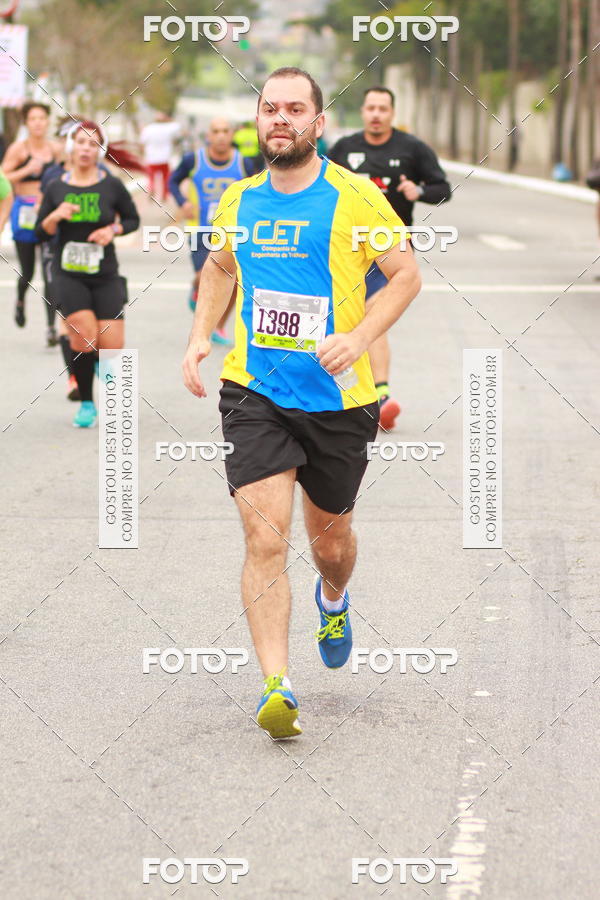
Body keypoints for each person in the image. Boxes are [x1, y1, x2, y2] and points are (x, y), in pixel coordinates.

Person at [182, 67, 421, 739]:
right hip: (255, 391)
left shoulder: (354, 198)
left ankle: (335, 597)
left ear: (318, 123)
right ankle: (277, 686)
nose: (279, 118)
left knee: (331, 541)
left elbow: (405, 276)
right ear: (258, 120)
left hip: (340, 401)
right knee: (264, 536)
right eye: (269, 108)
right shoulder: (238, 200)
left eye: (295, 108)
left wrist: (359, 337)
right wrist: (201, 336)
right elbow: (219, 267)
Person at [328, 86, 451, 430]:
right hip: (346, 249)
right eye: (371, 108)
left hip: (388, 251)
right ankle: (343, 393)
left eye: (383, 108)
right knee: (342, 319)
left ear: (392, 113)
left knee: (373, 314)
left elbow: (443, 189)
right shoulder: (345, 148)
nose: (377, 114)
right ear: (363, 112)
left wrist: (421, 191)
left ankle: (381, 396)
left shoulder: (412, 149)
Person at [35, 120, 141, 428]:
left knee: (111, 345)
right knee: (83, 338)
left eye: (93, 144)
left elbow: (132, 219)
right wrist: (55, 215)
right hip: (68, 274)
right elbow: (42, 231)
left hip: (105, 273)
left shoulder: (111, 185)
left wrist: (113, 229)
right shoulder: (56, 186)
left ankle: (110, 397)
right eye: (81, 142)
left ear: (100, 150)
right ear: (71, 146)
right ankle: (86, 403)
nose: (86, 148)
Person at [169, 117, 259, 344]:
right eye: (215, 131)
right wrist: (182, 202)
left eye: (225, 131)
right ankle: (195, 287)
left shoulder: (244, 163)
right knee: (204, 274)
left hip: (233, 232)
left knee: (236, 280)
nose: (220, 136)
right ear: (208, 136)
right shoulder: (193, 160)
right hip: (201, 229)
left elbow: (257, 190)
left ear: (232, 135)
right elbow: (173, 180)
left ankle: (218, 326)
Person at [2, 102, 60, 342]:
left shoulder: (56, 150)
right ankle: (20, 300)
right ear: (26, 123)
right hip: (24, 211)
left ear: (47, 122)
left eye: (42, 118)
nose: (38, 123)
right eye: (33, 119)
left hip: (47, 212)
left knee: (50, 272)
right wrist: (26, 170)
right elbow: (3, 178)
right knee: (28, 270)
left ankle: (50, 327)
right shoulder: (18, 149)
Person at [139, 111, 181, 201]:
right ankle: (164, 195)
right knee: (165, 178)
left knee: (151, 177)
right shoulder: (168, 128)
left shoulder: (148, 129)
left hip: (151, 158)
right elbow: (178, 126)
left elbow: (142, 143)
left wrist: (143, 154)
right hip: (164, 159)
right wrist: (168, 119)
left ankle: (151, 188)